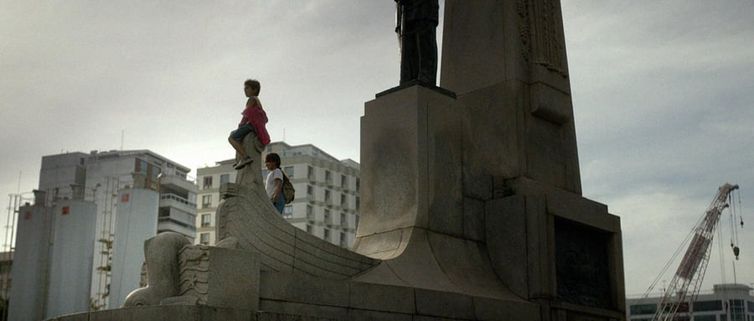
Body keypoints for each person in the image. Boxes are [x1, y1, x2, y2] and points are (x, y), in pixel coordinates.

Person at [229, 79, 271, 170]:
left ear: (254, 89)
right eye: (245, 88)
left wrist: (240, 126)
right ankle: (239, 159)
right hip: (253, 126)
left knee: (231, 138)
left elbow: (247, 115)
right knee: (236, 135)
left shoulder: (252, 99)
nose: (245, 90)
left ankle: (245, 157)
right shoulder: (257, 101)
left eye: (247, 88)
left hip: (250, 126)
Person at [395, 0, 439, 86]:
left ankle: (426, 77)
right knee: (406, 47)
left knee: (424, 40)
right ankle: (408, 78)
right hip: (404, 9)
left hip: (423, 6)